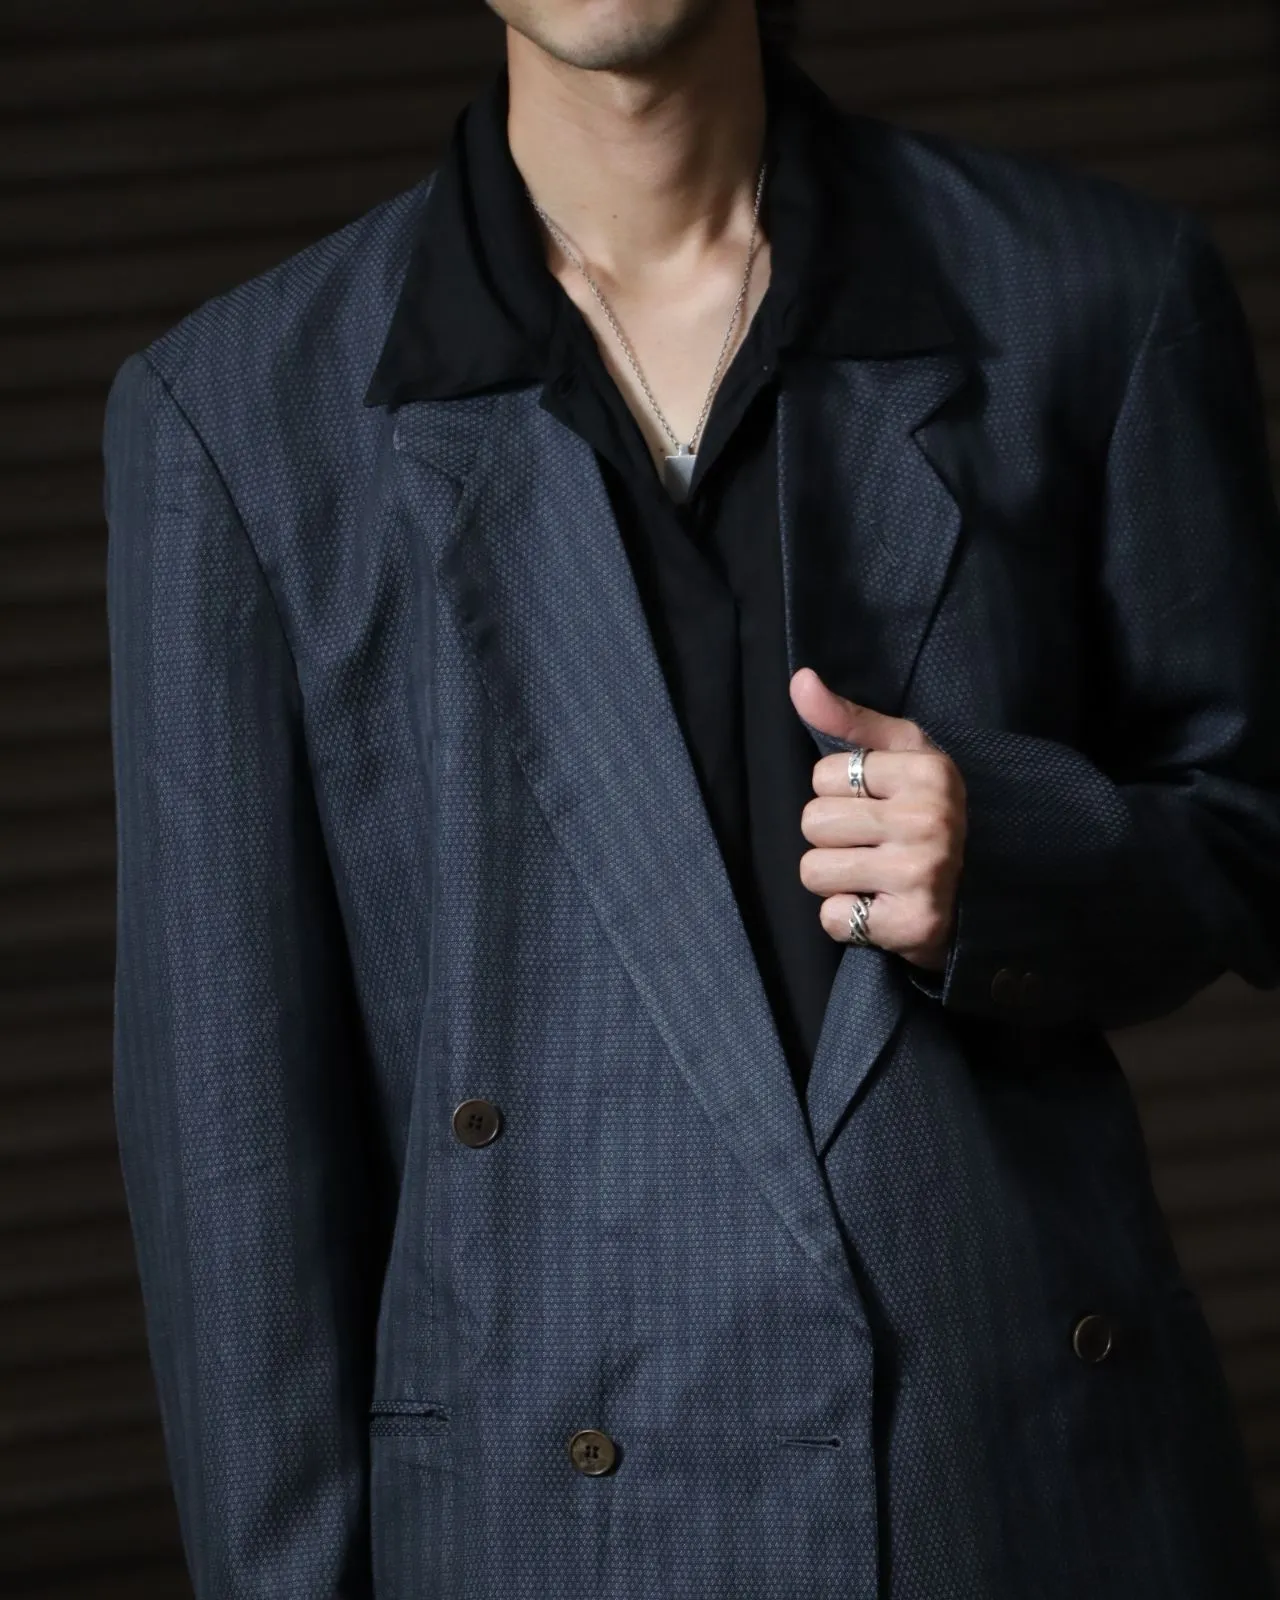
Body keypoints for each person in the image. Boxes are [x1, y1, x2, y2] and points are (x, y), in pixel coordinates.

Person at [102, 0, 1280, 1595]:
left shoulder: (1094, 295)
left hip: (1020, 1487)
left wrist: (1014, 855)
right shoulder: (238, 417)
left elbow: (1247, 830)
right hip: (551, 1520)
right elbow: (231, 1151)